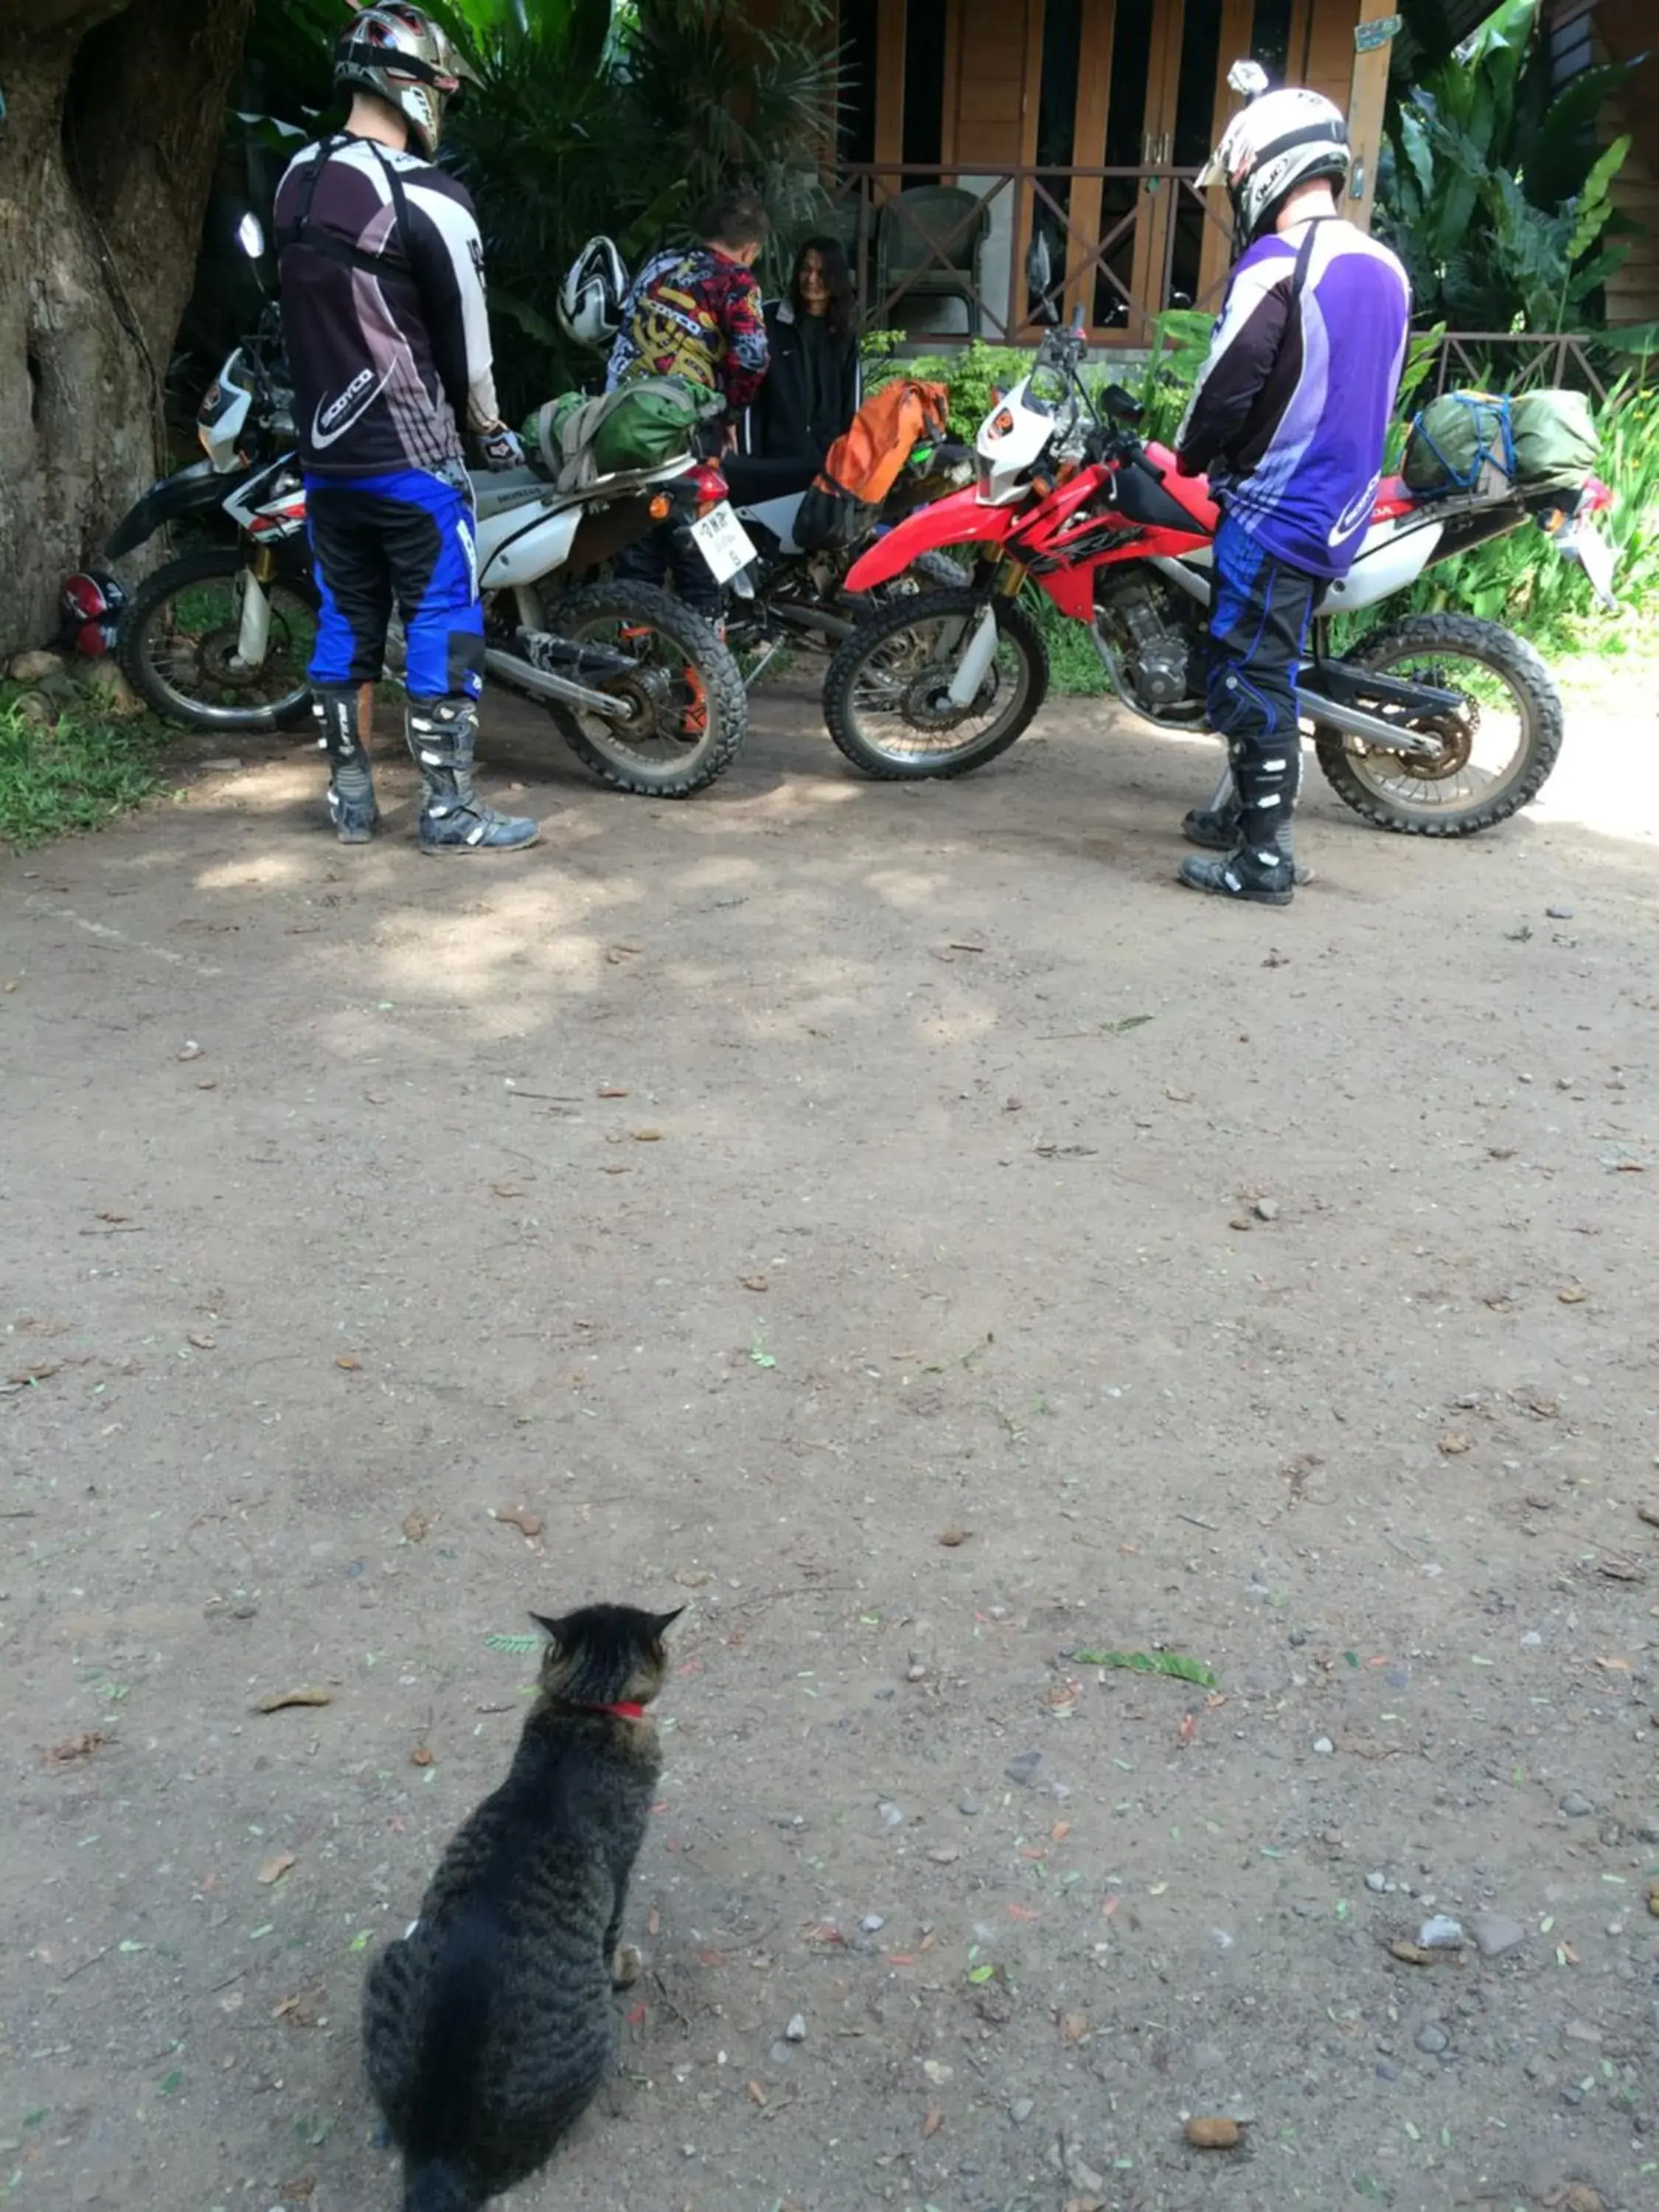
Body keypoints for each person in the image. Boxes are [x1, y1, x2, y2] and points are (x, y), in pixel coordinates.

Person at [275, 3, 537, 854]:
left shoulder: (295, 182)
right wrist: (491, 432)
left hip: (326, 461)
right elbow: (470, 345)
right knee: (447, 620)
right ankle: (450, 810)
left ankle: (350, 802)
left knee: (346, 618)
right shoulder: (430, 196)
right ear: (412, 88)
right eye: (441, 92)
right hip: (413, 458)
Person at [1172, 82, 1411, 907]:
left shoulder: (1277, 265)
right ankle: (1241, 821)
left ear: (1259, 171)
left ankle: (1264, 862)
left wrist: (1193, 456)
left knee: (1250, 680)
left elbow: (1225, 391)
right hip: (1340, 504)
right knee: (1266, 667)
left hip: (1275, 508)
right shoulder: (1383, 264)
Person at [605, 189, 771, 619]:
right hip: (687, 427)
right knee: (701, 546)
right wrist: (732, 414)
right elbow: (751, 358)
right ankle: (704, 674)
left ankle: (630, 662)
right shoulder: (738, 282)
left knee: (634, 537)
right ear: (750, 249)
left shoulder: (659, 264)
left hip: (621, 420)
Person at [746, 236, 861, 476]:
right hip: (773, 463)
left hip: (826, 465)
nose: (811, 280)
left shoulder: (844, 333)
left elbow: (853, 404)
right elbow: (748, 393)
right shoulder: (770, 320)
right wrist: (750, 461)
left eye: (821, 273)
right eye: (806, 269)